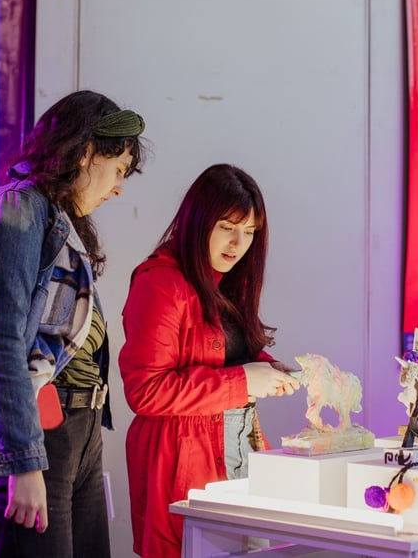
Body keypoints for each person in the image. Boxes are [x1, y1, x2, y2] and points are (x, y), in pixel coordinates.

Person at [0, 90, 148, 557]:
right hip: (37, 435)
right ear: (86, 152)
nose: (119, 188)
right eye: (118, 169)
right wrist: (24, 464)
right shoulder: (18, 208)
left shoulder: (54, 215)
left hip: (76, 431)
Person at [118, 163, 300, 557]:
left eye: (249, 232)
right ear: (198, 222)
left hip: (240, 446)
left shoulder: (228, 280)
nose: (238, 243)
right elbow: (145, 391)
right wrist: (244, 382)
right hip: (183, 458)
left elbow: (225, 352)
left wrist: (266, 367)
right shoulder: (160, 282)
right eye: (227, 227)